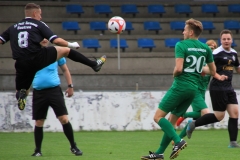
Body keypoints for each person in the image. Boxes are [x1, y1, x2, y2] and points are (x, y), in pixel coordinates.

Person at [0, 3, 106, 111]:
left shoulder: (13, 27)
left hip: (21, 63)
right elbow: (56, 41)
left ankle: (21, 97)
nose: (40, 17)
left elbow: (1, 40)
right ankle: (94, 64)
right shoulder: (38, 24)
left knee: (21, 90)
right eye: (40, 14)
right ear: (35, 13)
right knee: (65, 51)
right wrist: (71, 44)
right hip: (37, 57)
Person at [141, 18, 216, 160]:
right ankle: (159, 153)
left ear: (191, 32)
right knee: (171, 121)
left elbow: (179, 69)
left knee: (158, 117)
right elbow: (213, 71)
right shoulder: (205, 48)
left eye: (185, 29)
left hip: (180, 86)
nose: (183, 32)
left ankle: (178, 141)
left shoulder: (181, 45)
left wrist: (174, 72)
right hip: (193, 89)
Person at [187, 29, 240, 148]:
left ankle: (233, 142)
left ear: (232, 40)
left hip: (229, 88)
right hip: (218, 88)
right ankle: (194, 123)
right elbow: (203, 67)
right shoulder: (215, 53)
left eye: (228, 39)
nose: (226, 41)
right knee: (219, 116)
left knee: (235, 113)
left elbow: (237, 68)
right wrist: (211, 73)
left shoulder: (234, 53)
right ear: (220, 40)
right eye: (224, 39)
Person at [30, 39, 82, 156]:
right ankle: (37, 150)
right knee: (39, 121)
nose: (43, 40)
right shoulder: (32, 54)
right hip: (39, 92)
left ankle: (73, 146)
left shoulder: (55, 52)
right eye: (41, 38)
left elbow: (65, 70)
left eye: (45, 37)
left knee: (63, 119)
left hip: (54, 91)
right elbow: (26, 73)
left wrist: (70, 86)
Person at [174, 40, 218, 139]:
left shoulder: (212, 63)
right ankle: (184, 114)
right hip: (195, 90)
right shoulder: (201, 61)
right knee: (206, 113)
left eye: (214, 48)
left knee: (197, 118)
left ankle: (178, 139)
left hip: (202, 92)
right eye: (210, 47)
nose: (212, 50)